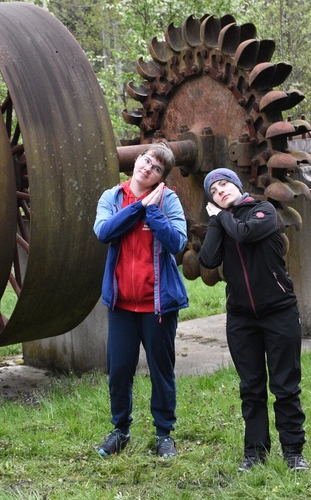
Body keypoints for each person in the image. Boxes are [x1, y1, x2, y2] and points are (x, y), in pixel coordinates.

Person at [198, 168, 308, 472]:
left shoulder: (264, 210)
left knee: (286, 386)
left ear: (236, 185)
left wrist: (220, 217)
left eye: (224, 185)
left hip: (279, 312)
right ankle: (255, 453)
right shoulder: (222, 221)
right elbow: (208, 261)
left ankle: (294, 452)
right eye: (214, 191)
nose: (220, 192)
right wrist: (215, 221)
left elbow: (246, 233)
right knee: (251, 388)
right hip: (241, 318)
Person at [93, 143, 188, 459]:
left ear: (161, 178)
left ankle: (164, 435)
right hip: (122, 305)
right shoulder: (113, 197)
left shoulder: (169, 200)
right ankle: (120, 431)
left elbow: (177, 242)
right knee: (119, 370)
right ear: (137, 160)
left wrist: (153, 209)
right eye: (146, 160)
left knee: (162, 371)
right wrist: (138, 207)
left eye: (157, 168)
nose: (148, 167)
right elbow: (104, 232)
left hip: (157, 306)